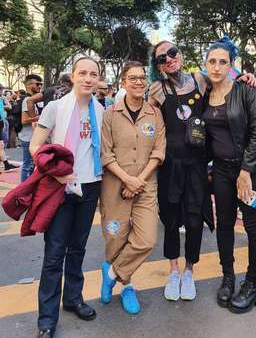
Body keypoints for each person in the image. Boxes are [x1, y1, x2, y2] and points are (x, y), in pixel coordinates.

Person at [148, 39, 255, 302]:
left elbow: (226, 72)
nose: (169, 59)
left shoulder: (200, 79)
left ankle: (188, 271)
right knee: (171, 220)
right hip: (170, 166)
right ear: (158, 66)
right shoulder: (156, 90)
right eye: (162, 58)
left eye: (172, 52)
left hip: (197, 165)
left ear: (180, 53)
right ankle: (173, 271)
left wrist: (244, 75)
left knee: (195, 220)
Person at [29, 57, 103, 338]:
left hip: (90, 187)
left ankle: (73, 298)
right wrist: (56, 173)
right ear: (72, 76)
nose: (87, 78)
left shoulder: (101, 110)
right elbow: (36, 146)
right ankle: (46, 319)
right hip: (61, 187)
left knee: (78, 248)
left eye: (93, 74)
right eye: (82, 73)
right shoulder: (55, 108)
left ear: (98, 79)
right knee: (54, 254)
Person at [203, 37, 256, 313]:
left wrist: (245, 171)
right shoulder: (205, 94)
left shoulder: (246, 92)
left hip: (250, 172)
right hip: (220, 171)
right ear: (206, 64)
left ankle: (253, 282)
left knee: (253, 226)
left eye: (223, 62)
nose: (217, 67)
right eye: (212, 61)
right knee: (225, 224)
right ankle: (228, 278)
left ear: (231, 65)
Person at [100, 61, 166, 314]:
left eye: (142, 77)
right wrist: (127, 180)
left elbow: (159, 151)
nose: (138, 82)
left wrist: (137, 181)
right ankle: (127, 286)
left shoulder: (155, 114)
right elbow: (106, 154)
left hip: (146, 185)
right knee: (116, 239)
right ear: (123, 82)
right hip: (115, 185)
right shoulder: (110, 114)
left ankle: (113, 273)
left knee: (146, 239)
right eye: (132, 78)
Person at [19, 74, 43, 181]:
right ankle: (23, 191)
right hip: (27, 137)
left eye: (41, 84)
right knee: (28, 166)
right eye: (37, 84)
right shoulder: (27, 100)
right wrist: (39, 118)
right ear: (29, 86)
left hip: (32, 137)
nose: (39, 86)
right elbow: (24, 120)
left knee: (32, 166)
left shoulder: (33, 99)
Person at [0, 84, 18, 171]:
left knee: (1, 145)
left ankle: (6, 165)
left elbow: (8, 107)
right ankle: (6, 165)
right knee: (1, 145)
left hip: (1, 122)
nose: (2, 92)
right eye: (1, 90)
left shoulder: (1, 99)